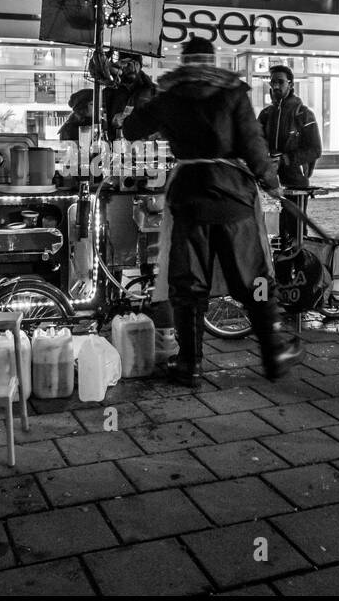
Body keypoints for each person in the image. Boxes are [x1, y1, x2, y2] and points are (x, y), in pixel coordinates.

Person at [123, 35, 301, 387]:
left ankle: (190, 365)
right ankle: (275, 351)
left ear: (185, 62)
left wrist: (144, 104)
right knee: (253, 278)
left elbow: (131, 129)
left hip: (189, 198)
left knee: (189, 286)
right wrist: (271, 181)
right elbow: (253, 143)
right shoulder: (232, 92)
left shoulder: (168, 95)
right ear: (213, 60)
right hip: (233, 198)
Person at [258, 64, 322, 250]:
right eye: (272, 82)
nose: (275, 86)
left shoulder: (303, 114)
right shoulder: (266, 114)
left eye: (280, 82)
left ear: (290, 84)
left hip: (295, 181)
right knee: (273, 228)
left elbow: (315, 149)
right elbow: (255, 142)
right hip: (270, 180)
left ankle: (299, 266)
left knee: (295, 228)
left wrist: (285, 160)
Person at [104, 54, 156, 140]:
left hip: (146, 146)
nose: (132, 68)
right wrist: (113, 122)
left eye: (136, 64)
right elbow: (102, 124)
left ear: (140, 66)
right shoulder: (110, 91)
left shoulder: (152, 90)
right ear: (120, 65)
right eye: (127, 63)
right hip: (117, 146)